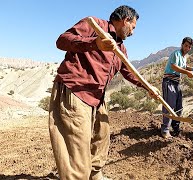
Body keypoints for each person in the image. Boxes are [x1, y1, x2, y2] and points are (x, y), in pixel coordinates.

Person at [49, 5, 159, 180]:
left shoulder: (121, 49)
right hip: (76, 90)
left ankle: (95, 174)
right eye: (133, 27)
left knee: (101, 137)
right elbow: (62, 40)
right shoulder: (94, 25)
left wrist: (148, 87)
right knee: (77, 148)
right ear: (125, 20)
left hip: (97, 97)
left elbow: (129, 72)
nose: (133, 32)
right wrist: (95, 44)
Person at [161, 37, 193, 139]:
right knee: (169, 106)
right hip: (169, 81)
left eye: (189, 47)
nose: (187, 48)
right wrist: (187, 72)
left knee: (178, 107)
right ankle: (165, 130)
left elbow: (184, 66)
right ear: (182, 44)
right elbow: (174, 67)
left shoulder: (184, 57)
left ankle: (176, 128)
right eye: (186, 45)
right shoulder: (176, 53)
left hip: (177, 83)